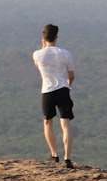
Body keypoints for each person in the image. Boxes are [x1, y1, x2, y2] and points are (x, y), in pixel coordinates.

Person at [32, 23, 76, 169]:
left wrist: (43, 47)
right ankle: (67, 158)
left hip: (47, 90)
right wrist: (67, 84)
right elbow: (71, 75)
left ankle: (54, 154)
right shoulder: (65, 53)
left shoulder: (37, 54)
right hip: (63, 89)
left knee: (48, 122)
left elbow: (39, 68)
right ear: (56, 37)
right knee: (66, 124)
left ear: (43, 38)